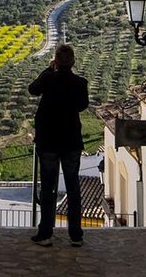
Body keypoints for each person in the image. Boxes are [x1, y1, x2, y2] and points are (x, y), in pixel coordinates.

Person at [28, 43, 89, 247]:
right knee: (73, 188)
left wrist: (48, 69)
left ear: (56, 60)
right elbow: (82, 106)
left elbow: (32, 89)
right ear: (72, 62)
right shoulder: (80, 83)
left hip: (48, 142)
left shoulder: (48, 78)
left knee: (48, 188)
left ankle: (45, 233)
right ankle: (76, 235)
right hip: (71, 142)